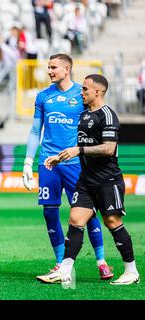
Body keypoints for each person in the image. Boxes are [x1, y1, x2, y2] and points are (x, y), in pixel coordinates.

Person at [23, 54, 114, 284]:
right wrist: (27, 161)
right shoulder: (43, 96)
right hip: (48, 162)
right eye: (48, 67)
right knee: (50, 211)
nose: (49, 71)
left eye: (53, 67)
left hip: (76, 164)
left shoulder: (81, 95)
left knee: (86, 212)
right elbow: (36, 131)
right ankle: (61, 262)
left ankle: (101, 261)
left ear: (67, 69)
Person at [45, 74, 140, 286]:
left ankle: (131, 271)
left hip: (108, 181)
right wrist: (60, 157)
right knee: (75, 220)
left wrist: (79, 150)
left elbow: (109, 148)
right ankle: (65, 270)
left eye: (85, 89)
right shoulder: (84, 115)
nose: (81, 92)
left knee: (112, 222)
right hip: (86, 181)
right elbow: (80, 147)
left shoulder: (108, 115)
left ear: (97, 92)